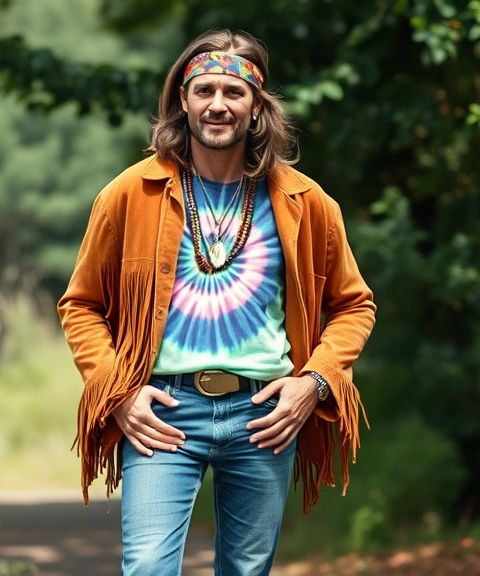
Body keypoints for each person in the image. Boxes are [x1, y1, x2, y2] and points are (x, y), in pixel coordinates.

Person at [58, 28, 375, 576]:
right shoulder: (130, 195)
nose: (218, 105)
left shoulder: (305, 201)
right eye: (205, 91)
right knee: (149, 568)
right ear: (183, 99)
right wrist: (118, 394)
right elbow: (81, 304)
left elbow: (354, 304)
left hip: (264, 415)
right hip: (164, 412)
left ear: (256, 107)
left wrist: (314, 383)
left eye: (234, 93)